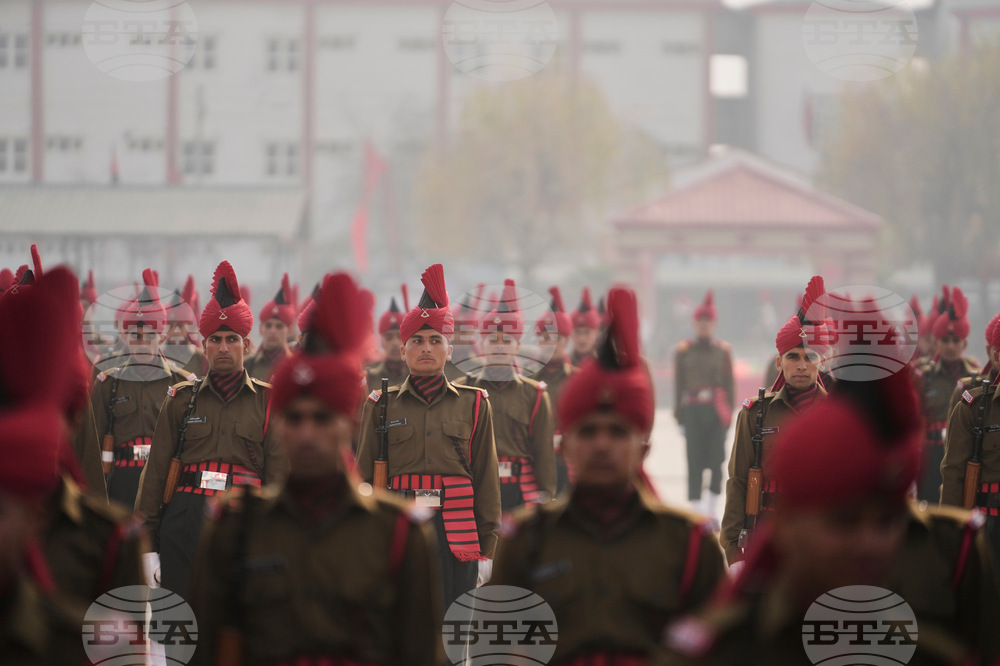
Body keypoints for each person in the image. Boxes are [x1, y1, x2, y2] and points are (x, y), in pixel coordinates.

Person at [665, 362, 1000, 665]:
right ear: (786, 526)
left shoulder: (934, 655)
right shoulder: (729, 652)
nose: (868, 543)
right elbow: (739, 480)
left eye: (888, 522)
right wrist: (733, 544)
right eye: (844, 522)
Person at [191, 272, 443, 666]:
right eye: (294, 418)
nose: (307, 434)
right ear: (277, 426)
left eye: (323, 419)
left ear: (352, 423)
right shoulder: (236, 527)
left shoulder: (398, 534)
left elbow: (418, 653)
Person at [490, 286, 726, 665]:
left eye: (618, 433)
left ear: (644, 450)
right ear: (563, 447)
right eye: (587, 432)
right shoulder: (526, 540)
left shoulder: (691, 545)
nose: (602, 445)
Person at [135, 260, 286, 601]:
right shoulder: (180, 400)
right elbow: (156, 472)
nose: (222, 347)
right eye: (215, 339)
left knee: (234, 626)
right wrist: (148, 544)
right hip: (186, 516)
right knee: (181, 624)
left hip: (243, 519)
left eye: (231, 339)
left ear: (247, 346)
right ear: (203, 346)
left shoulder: (269, 402)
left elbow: (278, 475)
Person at [355, 263, 501, 609]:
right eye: (416, 341)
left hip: (459, 530)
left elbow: (485, 478)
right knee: (405, 627)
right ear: (402, 350)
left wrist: (488, 547)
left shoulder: (475, 404)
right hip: (402, 528)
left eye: (436, 341)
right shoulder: (380, 405)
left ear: (449, 351)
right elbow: (362, 476)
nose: (426, 348)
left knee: (455, 628)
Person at [720, 276, 831, 566]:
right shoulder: (756, 414)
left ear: (821, 362)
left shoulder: (838, 415)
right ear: (779, 362)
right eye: (793, 357)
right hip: (766, 539)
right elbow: (738, 482)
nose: (802, 365)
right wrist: (733, 550)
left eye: (810, 357)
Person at [92, 269, 191, 508]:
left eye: (150, 335)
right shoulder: (109, 384)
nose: (142, 343)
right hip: (120, 480)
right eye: (135, 336)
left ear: (162, 336)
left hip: (164, 482)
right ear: (125, 337)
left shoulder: (183, 383)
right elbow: (93, 444)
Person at [459, 279, 557, 511]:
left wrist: (547, 497)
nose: (499, 346)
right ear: (481, 343)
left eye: (507, 340)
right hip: (475, 486)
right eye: (493, 339)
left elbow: (543, 452)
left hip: (522, 488)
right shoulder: (462, 390)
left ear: (517, 345)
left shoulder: (534, 394)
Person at [941, 310, 1000, 559]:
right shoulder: (973, 407)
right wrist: (949, 533)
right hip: (989, 522)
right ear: (996, 355)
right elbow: (954, 472)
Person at [915, 285, 979, 503]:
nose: (951, 346)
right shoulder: (923, 375)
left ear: (965, 343)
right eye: (945, 340)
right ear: (936, 342)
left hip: (963, 454)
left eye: (956, 341)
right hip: (931, 454)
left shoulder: (977, 378)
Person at [674, 290, 734, 520]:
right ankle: (696, 509)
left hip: (716, 410)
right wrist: (679, 417)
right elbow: (679, 385)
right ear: (694, 323)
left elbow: (730, 385)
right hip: (692, 411)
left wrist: (728, 415)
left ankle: (712, 507)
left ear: (714, 324)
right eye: (700, 322)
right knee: (694, 459)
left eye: (707, 322)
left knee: (717, 459)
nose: (703, 326)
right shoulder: (683, 351)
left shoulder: (723, 351)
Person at [535, 285, 577, 494]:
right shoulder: (527, 381)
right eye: (545, 337)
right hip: (536, 457)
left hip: (571, 458)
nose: (550, 343)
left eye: (557, 338)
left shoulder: (578, 380)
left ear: (567, 341)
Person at [245, 273, 294, 382]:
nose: (273, 331)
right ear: (261, 329)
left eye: (279, 326)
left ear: (289, 330)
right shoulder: (246, 366)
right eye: (268, 325)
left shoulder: (296, 366)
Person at [365, 291, 408, 391]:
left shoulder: (419, 376)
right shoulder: (369, 379)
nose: (395, 343)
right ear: (381, 341)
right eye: (389, 337)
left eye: (400, 336)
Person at [569, 287, 601, 367]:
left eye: (587, 332)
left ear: (596, 333)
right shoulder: (563, 365)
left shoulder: (604, 366)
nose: (582, 338)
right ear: (571, 333)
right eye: (577, 332)